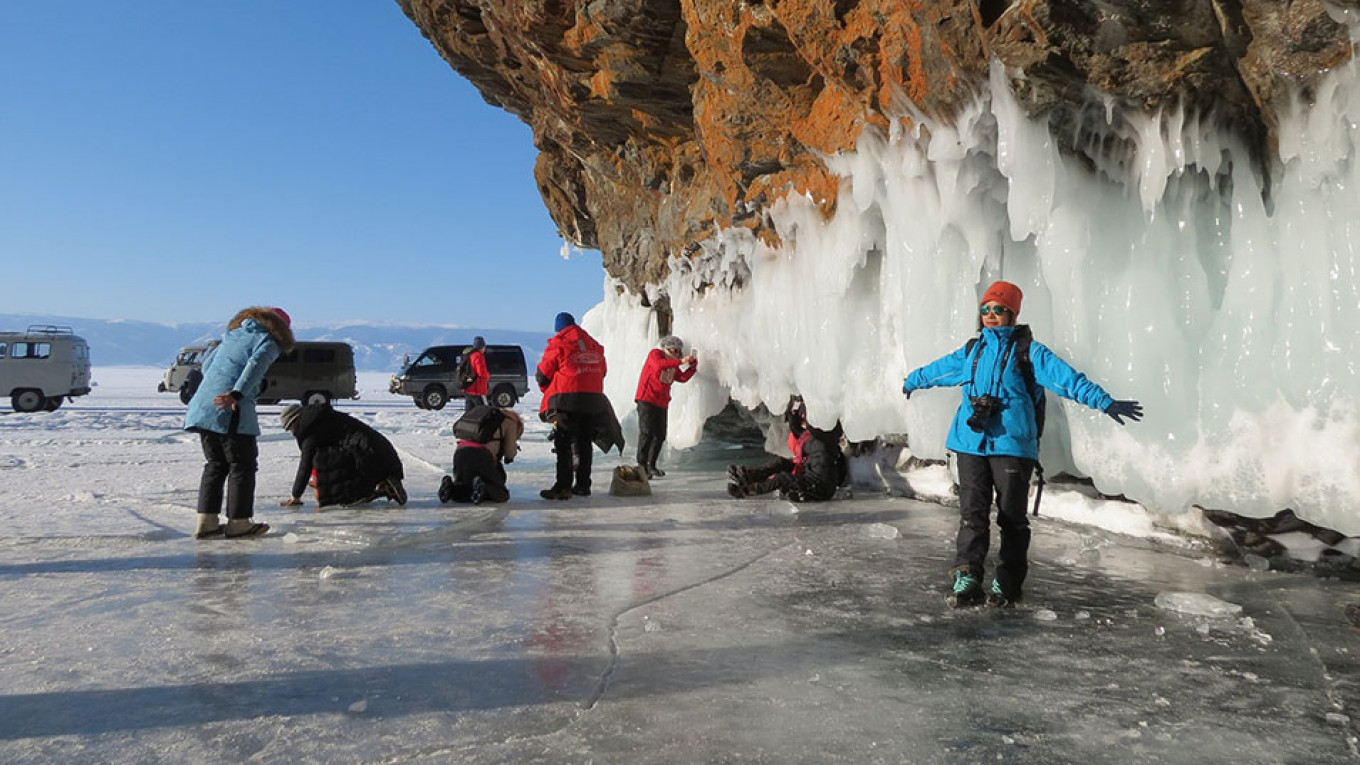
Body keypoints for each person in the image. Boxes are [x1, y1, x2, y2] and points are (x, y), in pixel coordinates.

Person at [902, 280, 1144, 608]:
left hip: (1012, 446)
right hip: (969, 444)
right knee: (971, 514)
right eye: (986, 309)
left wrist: (1104, 401)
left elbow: (1067, 379)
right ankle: (967, 576)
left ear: (1013, 314)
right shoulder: (973, 351)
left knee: (1011, 518)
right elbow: (939, 370)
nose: (990, 315)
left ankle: (1007, 583)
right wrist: (912, 380)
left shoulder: (1029, 351)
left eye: (999, 309)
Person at [184, 306, 294, 539]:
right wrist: (237, 393)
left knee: (215, 465)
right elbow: (255, 366)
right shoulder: (268, 341)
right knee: (242, 465)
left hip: (203, 406)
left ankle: (206, 523)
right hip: (230, 408)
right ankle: (239, 523)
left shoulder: (232, 336)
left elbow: (206, 366)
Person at [536, 312, 624, 499]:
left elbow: (543, 374)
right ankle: (583, 485)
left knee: (564, 442)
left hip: (566, 399)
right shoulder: (594, 346)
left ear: (559, 328)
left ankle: (563, 486)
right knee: (584, 442)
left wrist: (549, 389)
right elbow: (602, 371)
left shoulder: (559, 344)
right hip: (592, 399)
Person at [278, 403, 407, 508]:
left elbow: (305, 465)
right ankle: (383, 482)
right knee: (332, 459)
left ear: (295, 421)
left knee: (322, 462)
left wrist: (296, 495)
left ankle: (369, 490)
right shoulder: (323, 417)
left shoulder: (311, 431)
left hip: (369, 455)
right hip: (382, 452)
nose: (292, 432)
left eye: (290, 428)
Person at [727, 395, 846, 502]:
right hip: (810, 475)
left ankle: (747, 491)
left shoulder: (820, 438)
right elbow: (796, 428)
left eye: (804, 418)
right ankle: (750, 476)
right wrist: (795, 405)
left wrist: (804, 406)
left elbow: (804, 430)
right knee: (782, 463)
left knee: (782, 478)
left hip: (819, 485)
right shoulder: (811, 437)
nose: (803, 422)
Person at [634, 335, 697, 478]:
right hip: (646, 399)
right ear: (667, 348)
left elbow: (682, 378)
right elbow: (658, 365)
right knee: (646, 432)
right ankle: (641, 465)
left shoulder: (673, 364)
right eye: (674, 350)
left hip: (661, 402)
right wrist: (681, 361)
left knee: (660, 435)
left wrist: (692, 367)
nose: (676, 353)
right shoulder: (655, 354)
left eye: (678, 350)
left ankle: (651, 465)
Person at [438, 406, 524, 504]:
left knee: (464, 489)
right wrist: (510, 454)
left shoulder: (483, 418)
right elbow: (510, 452)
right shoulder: (509, 422)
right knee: (501, 494)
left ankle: (451, 488)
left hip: (460, 453)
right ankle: (484, 486)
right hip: (482, 455)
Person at [462, 336, 490, 410]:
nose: (485, 349)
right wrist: (488, 375)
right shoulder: (479, 356)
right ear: (481, 347)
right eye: (484, 347)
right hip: (477, 390)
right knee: (483, 411)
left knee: (469, 412)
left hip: (468, 387)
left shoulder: (469, 355)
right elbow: (481, 372)